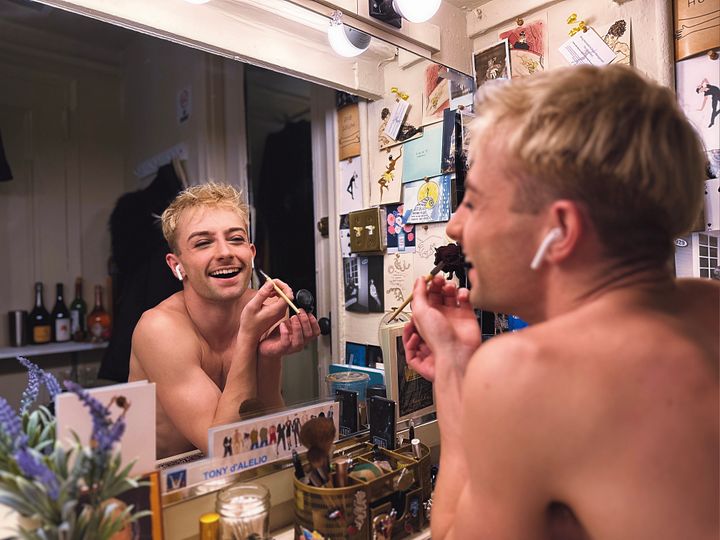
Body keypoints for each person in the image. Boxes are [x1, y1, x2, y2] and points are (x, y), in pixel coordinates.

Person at [403, 65, 719, 540]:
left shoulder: (523, 373)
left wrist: (453, 366)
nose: (455, 226)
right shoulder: (710, 308)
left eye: (475, 202)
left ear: (561, 231)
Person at [129, 182, 320, 458]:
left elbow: (267, 428)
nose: (225, 253)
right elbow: (222, 448)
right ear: (176, 265)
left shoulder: (264, 310)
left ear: (251, 254)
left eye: (236, 239)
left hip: (241, 478)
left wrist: (267, 357)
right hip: (169, 488)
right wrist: (248, 337)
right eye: (203, 243)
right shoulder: (158, 329)